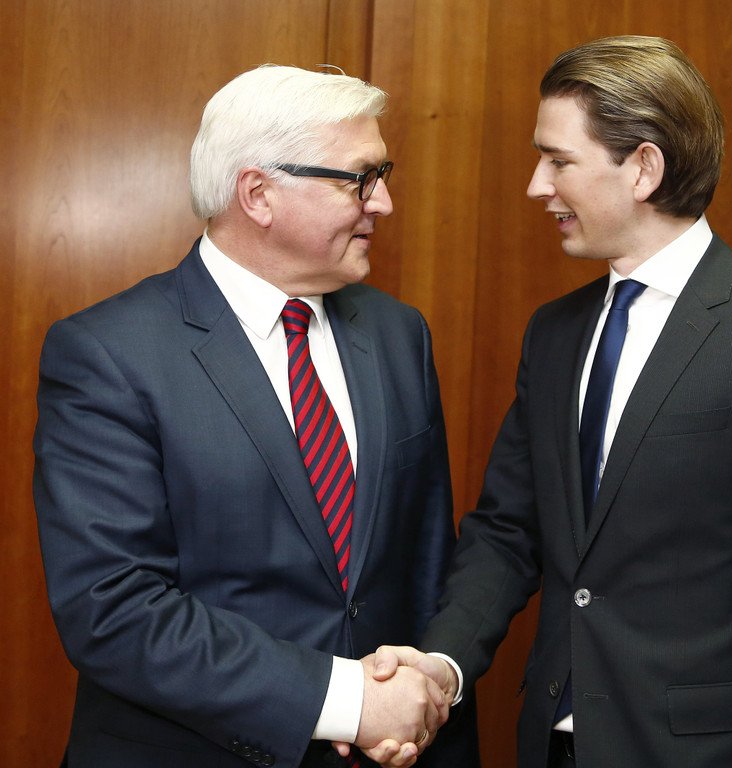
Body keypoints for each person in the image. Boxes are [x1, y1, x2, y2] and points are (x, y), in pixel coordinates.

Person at [371, 35, 732, 767]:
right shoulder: (555, 333)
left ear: (643, 167)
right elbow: (508, 530)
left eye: (558, 160)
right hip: (553, 744)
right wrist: (441, 666)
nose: (536, 186)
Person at [33, 64, 479, 768]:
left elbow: (426, 560)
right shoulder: (108, 354)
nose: (384, 202)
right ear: (258, 194)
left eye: (382, 174)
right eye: (359, 179)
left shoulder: (398, 334)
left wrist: (425, 701)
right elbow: (113, 608)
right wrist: (347, 700)